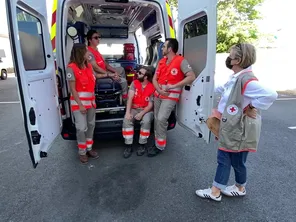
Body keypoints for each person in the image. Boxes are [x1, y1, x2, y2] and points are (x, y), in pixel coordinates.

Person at [195, 43, 278, 202]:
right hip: (234, 127)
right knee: (238, 161)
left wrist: (253, 106)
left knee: (224, 159)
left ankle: (215, 191)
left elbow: (271, 94)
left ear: (238, 60)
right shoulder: (236, 78)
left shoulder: (246, 81)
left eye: (230, 56)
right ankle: (240, 187)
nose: (228, 58)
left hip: (237, 129)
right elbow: (222, 88)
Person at [147, 38, 196, 157]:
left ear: (169, 49)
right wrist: (159, 90)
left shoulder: (181, 61)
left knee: (161, 119)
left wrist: (173, 86)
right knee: (157, 120)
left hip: (170, 96)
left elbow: (191, 76)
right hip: (158, 94)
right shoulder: (162, 61)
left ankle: (160, 146)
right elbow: (154, 79)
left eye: (164, 47)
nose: (162, 48)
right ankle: (157, 141)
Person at [66, 43, 99, 164]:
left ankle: (89, 148)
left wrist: (110, 75)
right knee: (81, 128)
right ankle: (82, 152)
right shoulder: (71, 67)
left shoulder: (89, 66)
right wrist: (80, 105)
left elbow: (95, 78)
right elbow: (73, 89)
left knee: (91, 126)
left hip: (91, 103)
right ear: (80, 53)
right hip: (78, 104)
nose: (89, 53)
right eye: (86, 51)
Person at [86, 30, 128, 102]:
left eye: (99, 37)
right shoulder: (88, 52)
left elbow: (105, 64)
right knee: (124, 81)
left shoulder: (96, 49)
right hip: (99, 74)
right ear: (90, 40)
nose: (98, 39)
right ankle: (125, 99)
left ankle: (120, 87)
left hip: (104, 70)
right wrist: (109, 74)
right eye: (96, 38)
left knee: (121, 69)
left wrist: (114, 71)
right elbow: (95, 68)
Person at [122, 66, 155, 158]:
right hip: (134, 108)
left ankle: (142, 145)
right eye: (138, 72)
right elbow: (130, 99)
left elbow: (150, 105)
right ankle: (128, 145)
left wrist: (141, 114)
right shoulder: (134, 83)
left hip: (146, 110)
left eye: (140, 73)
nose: (137, 73)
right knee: (127, 120)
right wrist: (127, 113)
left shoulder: (152, 87)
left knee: (146, 121)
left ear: (145, 77)